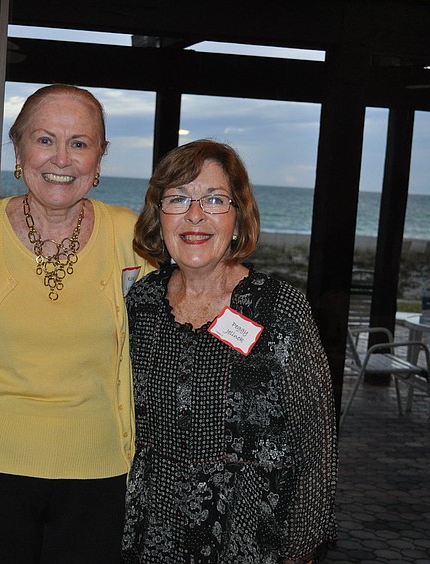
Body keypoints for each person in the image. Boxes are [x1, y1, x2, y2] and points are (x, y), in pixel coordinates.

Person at [0, 84, 153, 563]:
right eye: (45, 140)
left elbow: (185, 312)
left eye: (80, 143)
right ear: (18, 149)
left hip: (100, 473)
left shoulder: (131, 236)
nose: (62, 158)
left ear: (100, 157)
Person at [121, 139, 337, 563]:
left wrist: (302, 549)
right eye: (178, 198)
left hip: (251, 538)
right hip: (152, 534)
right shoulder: (141, 304)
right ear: (159, 217)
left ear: (237, 219)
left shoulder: (280, 308)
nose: (195, 214)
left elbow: (318, 445)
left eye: (215, 199)